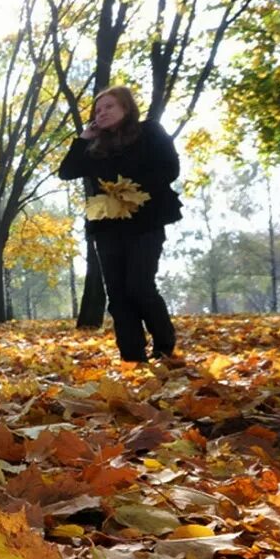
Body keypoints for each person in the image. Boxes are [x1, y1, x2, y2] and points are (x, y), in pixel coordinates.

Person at [58, 86, 183, 364]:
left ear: (126, 108)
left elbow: (170, 168)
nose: (101, 113)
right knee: (117, 294)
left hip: (146, 220)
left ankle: (164, 346)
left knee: (139, 285)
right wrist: (83, 138)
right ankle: (132, 356)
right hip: (107, 226)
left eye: (109, 107)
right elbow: (66, 172)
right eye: (97, 110)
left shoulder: (149, 132)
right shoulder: (94, 147)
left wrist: (131, 190)